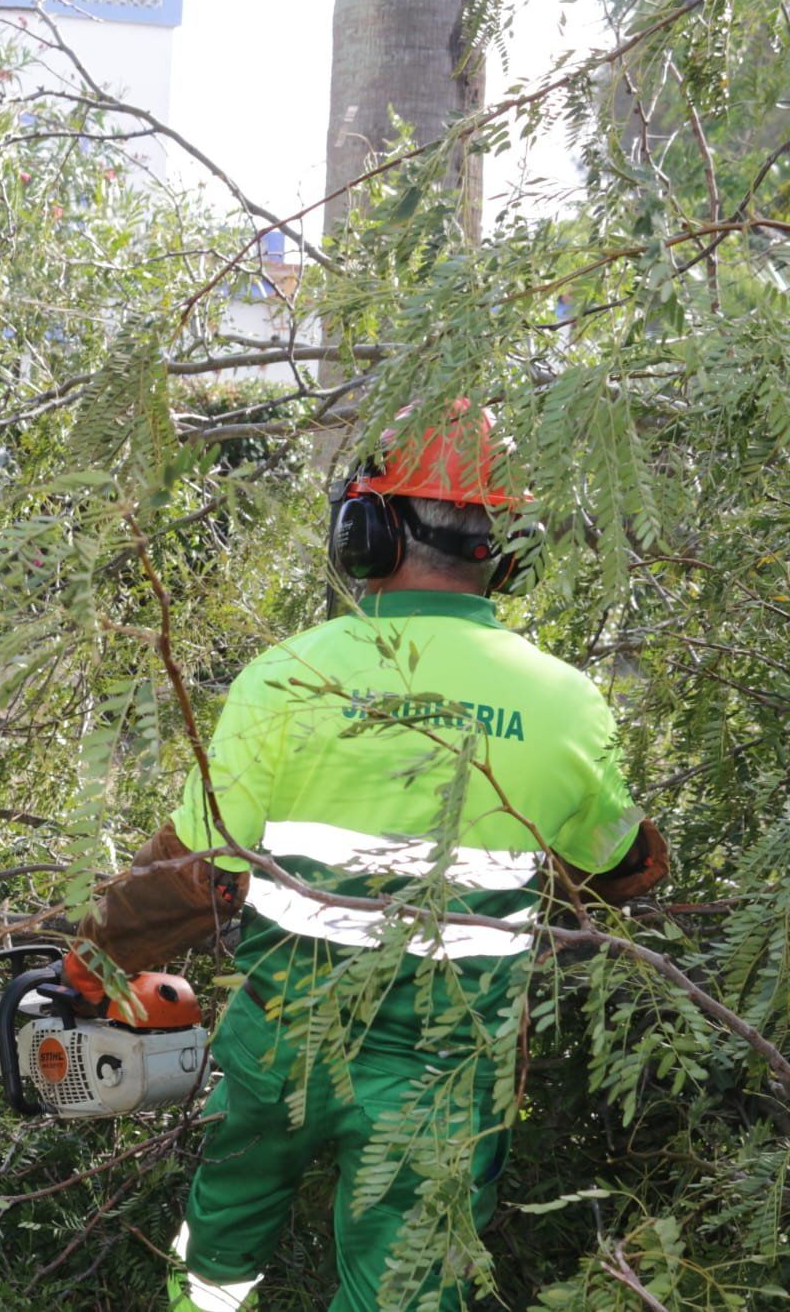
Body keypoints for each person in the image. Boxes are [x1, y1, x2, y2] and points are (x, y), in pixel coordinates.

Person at [65, 403, 669, 1311]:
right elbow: (623, 870)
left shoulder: (284, 676)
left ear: (367, 531)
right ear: (506, 548)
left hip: (279, 1048)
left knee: (216, 1261)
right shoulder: (567, 705)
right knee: (406, 1295)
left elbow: (195, 873)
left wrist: (91, 956)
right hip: (444, 1078)